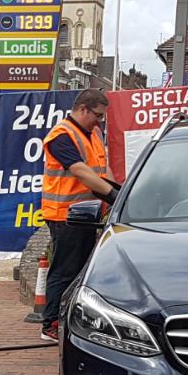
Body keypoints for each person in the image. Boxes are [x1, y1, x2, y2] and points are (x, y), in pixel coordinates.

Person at [39, 89, 120, 342]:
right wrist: (114, 195)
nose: (100, 121)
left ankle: (70, 320)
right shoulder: (61, 136)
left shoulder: (93, 133)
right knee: (64, 270)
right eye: (97, 115)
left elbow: (101, 167)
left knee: (80, 271)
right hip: (65, 215)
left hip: (86, 215)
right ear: (83, 109)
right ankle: (50, 323)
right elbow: (80, 171)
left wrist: (117, 190)